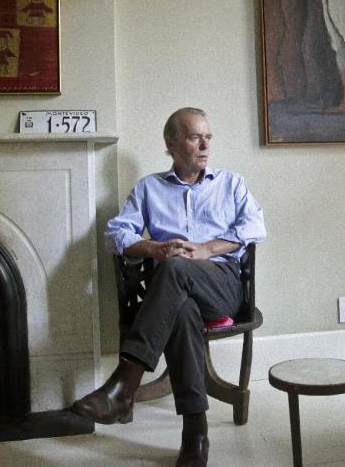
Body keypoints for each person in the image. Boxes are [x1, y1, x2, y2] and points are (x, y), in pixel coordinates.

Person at [69, 107, 266, 467]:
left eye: (208, 136)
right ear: (171, 144)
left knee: (175, 270)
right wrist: (155, 248)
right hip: (174, 293)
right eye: (194, 137)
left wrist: (207, 249)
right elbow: (117, 234)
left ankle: (124, 384)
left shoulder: (231, 184)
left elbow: (254, 229)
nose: (205, 144)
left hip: (221, 285)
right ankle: (196, 434)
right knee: (182, 308)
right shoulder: (149, 188)